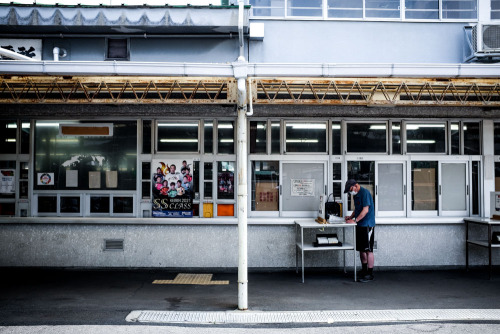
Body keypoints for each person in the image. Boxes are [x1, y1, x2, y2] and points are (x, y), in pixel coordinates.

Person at [344, 179, 376, 283]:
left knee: (368, 250)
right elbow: (357, 209)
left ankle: (370, 274)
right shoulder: (356, 195)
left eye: (350, 190)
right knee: (361, 249)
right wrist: (351, 217)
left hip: (367, 225)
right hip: (359, 224)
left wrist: (355, 220)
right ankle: (364, 270)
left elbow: (365, 210)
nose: (350, 192)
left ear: (355, 185)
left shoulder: (365, 193)